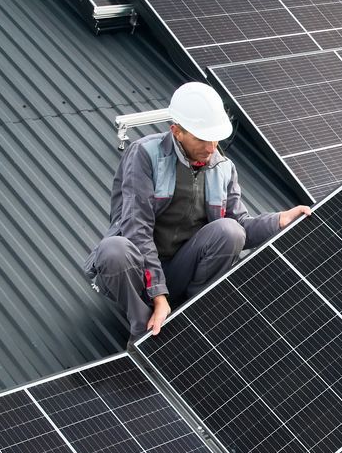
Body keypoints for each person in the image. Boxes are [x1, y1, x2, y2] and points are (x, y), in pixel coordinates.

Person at [85, 82, 308, 340]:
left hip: (179, 270)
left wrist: (280, 221)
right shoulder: (145, 155)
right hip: (136, 274)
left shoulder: (223, 168)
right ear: (177, 131)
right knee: (113, 250)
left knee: (230, 231)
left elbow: (241, 227)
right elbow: (137, 229)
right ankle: (143, 334)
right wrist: (158, 295)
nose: (212, 147)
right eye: (202, 138)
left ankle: (194, 316)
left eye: (215, 138)